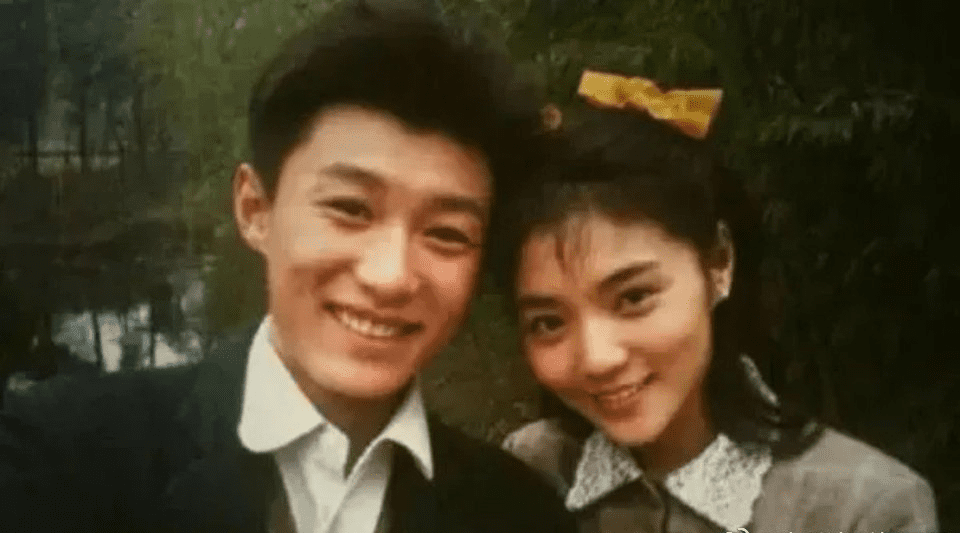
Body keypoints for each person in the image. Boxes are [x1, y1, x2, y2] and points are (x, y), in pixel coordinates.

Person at [0, 4, 577, 533]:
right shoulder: (53, 459)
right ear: (255, 210)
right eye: (350, 209)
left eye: (447, 233)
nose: (391, 275)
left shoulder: (521, 514)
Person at [497, 69, 939, 533]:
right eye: (548, 322)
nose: (597, 358)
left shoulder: (864, 508)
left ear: (719, 262)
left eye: (633, 297)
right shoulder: (531, 470)